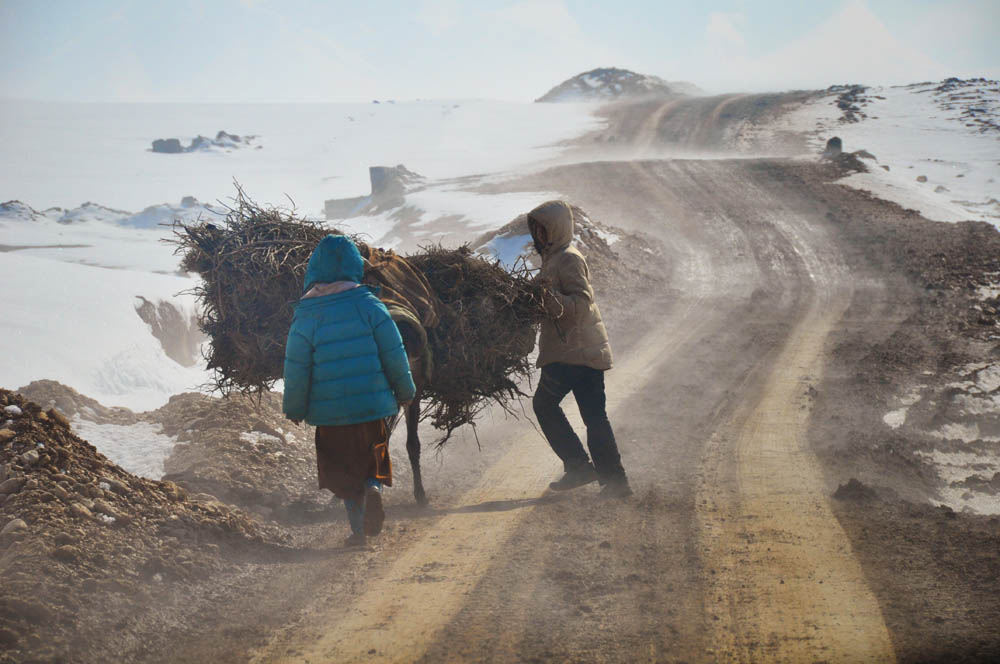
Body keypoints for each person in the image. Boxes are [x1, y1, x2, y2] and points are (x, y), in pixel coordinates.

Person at [282, 234, 416, 546]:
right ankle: (374, 487)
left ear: (315, 270)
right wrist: (405, 390)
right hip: (373, 408)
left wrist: (295, 408)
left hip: (331, 417)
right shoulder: (370, 305)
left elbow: (297, 369)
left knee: (344, 472)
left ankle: (359, 530)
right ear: (355, 267)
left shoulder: (306, 315)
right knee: (374, 459)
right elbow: (394, 352)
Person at [528, 200, 632, 498]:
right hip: (582, 350)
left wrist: (545, 295)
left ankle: (578, 465)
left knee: (544, 405)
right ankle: (616, 483)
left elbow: (581, 305)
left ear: (556, 229)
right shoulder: (555, 259)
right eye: (535, 230)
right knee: (595, 416)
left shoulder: (568, 259)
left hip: (572, 352)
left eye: (542, 229)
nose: (538, 236)